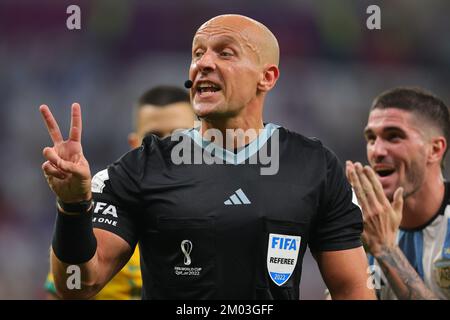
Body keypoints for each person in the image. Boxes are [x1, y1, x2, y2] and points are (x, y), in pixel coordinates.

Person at [39, 14, 375, 299]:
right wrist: (71, 208)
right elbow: (77, 285)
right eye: (197, 53)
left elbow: (352, 290)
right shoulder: (140, 168)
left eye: (225, 53)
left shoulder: (314, 166)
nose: (203, 63)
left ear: (267, 77)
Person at [43, 85, 195, 299]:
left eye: (180, 137)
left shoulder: (231, 213)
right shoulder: (103, 234)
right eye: (154, 137)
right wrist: (73, 206)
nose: (166, 148)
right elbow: (72, 286)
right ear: (134, 146)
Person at [347, 87, 450, 299]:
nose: (377, 151)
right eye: (371, 138)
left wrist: (385, 249)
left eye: (394, 137)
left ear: (435, 150)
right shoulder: (361, 223)